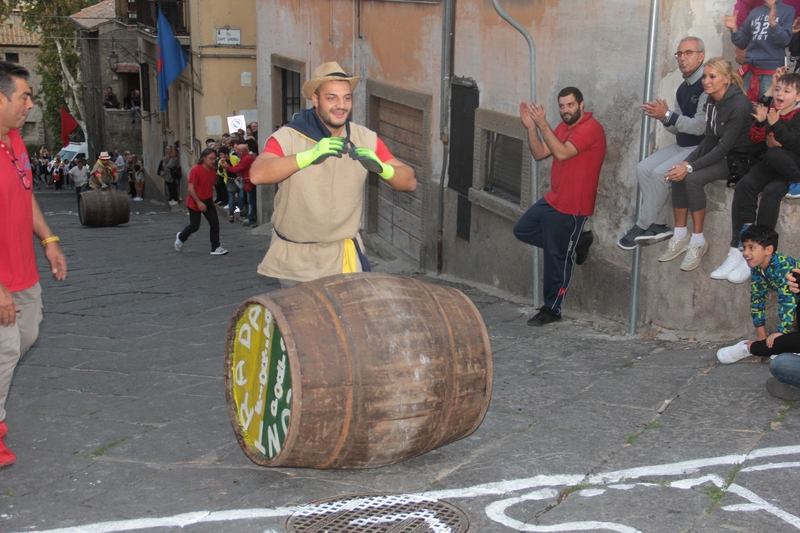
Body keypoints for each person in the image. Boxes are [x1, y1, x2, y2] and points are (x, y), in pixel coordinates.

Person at [250, 61, 416, 287]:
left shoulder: (364, 138)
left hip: (344, 256)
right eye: (332, 98)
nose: (341, 105)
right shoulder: (289, 136)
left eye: (347, 98)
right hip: (298, 260)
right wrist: (307, 156)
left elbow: (409, 181)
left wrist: (382, 167)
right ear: (316, 100)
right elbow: (258, 174)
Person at [0, 61, 67, 466]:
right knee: (5, 350)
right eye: (24, 96)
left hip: (24, 272)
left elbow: (25, 193)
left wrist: (49, 239)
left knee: (26, 336)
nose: (30, 104)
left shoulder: (15, 141)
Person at [513, 87, 607, 326]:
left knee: (556, 257)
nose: (565, 110)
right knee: (522, 229)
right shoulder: (563, 127)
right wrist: (531, 127)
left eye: (570, 105)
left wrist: (543, 124)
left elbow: (563, 153)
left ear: (581, 104)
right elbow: (539, 152)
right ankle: (574, 244)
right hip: (554, 199)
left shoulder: (590, 128)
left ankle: (552, 309)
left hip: (573, 206)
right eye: (562, 106)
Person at [659, 57, 754, 272]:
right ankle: (680, 235)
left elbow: (723, 148)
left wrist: (690, 167)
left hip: (738, 160)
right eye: (704, 76)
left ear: (726, 79)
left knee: (692, 178)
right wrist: (685, 162)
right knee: (678, 171)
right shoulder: (712, 101)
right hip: (721, 154)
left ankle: (698, 240)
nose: (706, 81)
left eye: (712, 76)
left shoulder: (739, 105)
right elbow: (709, 141)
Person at [617, 37, 708, 250]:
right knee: (643, 168)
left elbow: (699, 127)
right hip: (682, 144)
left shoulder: (706, 85)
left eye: (688, 53)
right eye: (679, 54)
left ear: (701, 56)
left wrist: (668, 114)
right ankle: (657, 224)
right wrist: (664, 118)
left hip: (700, 147)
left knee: (660, 173)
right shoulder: (682, 88)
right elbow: (677, 127)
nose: (683, 58)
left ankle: (641, 225)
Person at [713, 68, 800, 283]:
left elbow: (793, 143)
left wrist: (776, 125)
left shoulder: (796, 116)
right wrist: (762, 122)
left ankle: (759, 253)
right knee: (745, 185)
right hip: (770, 162)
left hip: (790, 167)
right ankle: (737, 248)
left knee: (772, 192)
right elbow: (757, 140)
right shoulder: (771, 110)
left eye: (787, 91)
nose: (780, 94)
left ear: (798, 97)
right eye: (778, 89)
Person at [716, 226, 798, 368]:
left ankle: (754, 348)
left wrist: (782, 331)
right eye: (744, 248)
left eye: (752, 247)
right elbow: (757, 300)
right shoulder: (756, 268)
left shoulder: (782, 266)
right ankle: (757, 347)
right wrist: (762, 338)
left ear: (768, 250)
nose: (746, 253)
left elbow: (788, 301)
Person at [725, 0, 796, 101]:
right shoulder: (755, 12)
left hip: (771, 71)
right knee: (744, 106)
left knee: (767, 107)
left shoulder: (788, 10)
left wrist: (773, 24)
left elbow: (784, 41)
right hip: (750, 70)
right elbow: (742, 42)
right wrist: (734, 29)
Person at [174, 148, 228, 256]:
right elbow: (190, 188)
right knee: (194, 226)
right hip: (195, 201)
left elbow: (210, 185)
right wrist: (199, 202)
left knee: (215, 223)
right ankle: (181, 237)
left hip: (208, 201)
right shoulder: (196, 170)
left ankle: (215, 247)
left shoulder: (212, 170)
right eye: (210, 159)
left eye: (214, 159)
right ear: (204, 158)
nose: (213, 161)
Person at [221, 141, 256, 226]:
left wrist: (227, 167)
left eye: (237, 150)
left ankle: (251, 216)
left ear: (241, 151)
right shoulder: (245, 157)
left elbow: (237, 169)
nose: (235, 151)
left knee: (251, 201)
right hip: (246, 181)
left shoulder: (247, 158)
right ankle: (250, 215)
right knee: (249, 200)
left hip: (249, 182)